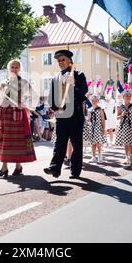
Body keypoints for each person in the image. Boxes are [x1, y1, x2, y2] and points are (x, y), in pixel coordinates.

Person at [44, 50, 88, 179]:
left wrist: (74, 84)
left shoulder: (79, 74)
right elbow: (51, 97)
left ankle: (75, 170)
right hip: (61, 115)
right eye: (59, 60)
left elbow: (84, 93)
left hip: (75, 115)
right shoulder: (55, 77)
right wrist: (55, 108)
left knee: (76, 143)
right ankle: (55, 168)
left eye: (63, 59)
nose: (61, 62)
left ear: (69, 61)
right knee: (60, 142)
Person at [0, 59, 37, 178]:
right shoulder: (3, 83)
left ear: (20, 69)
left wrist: (22, 103)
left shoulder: (24, 82)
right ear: (9, 68)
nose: (14, 69)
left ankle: (18, 166)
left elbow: (33, 97)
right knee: (4, 139)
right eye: (12, 67)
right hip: (5, 114)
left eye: (17, 67)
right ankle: (4, 168)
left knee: (18, 141)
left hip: (18, 114)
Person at [115, 88, 132, 167]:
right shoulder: (120, 107)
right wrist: (122, 115)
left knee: (130, 142)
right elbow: (117, 117)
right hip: (123, 126)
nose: (128, 97)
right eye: (126, 96)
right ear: (123, 97)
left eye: (129, 96)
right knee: (125, 142)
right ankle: (127, 157)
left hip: (130, 126)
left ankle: (131, 156)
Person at [85, 94, 107, 164]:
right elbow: (88, 119)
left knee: (98, 142)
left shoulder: (100, 109)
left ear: (97, 101)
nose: (94, 102)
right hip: (91, 128)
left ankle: (100, 156)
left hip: (98, 127)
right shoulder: (89, 110)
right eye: (92, 100)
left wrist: (103, 129)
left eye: (95, 100)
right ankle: (93, 157)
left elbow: (103, 120)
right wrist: (87, 120)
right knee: (92, 143)